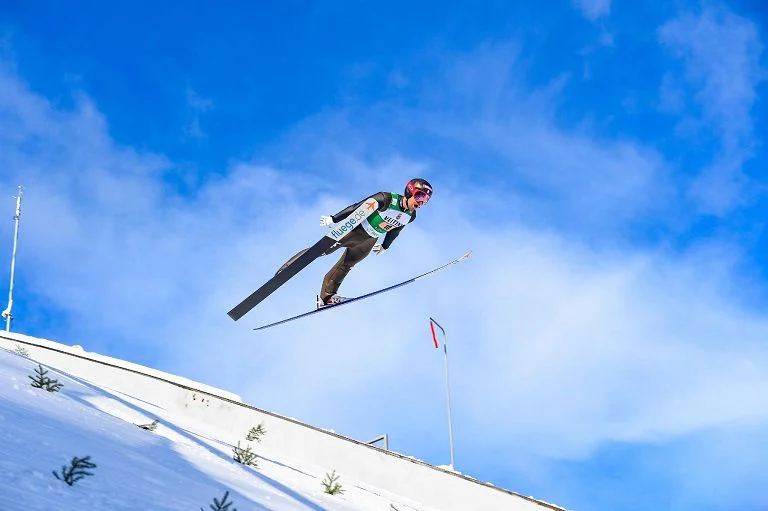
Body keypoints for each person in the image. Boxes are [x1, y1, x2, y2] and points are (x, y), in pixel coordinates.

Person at [276, 178, 433, 307]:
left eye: (425, 200)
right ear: (409, 191)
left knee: (347, 265)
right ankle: (287, 269)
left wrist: (385, 246)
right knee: (320, 250)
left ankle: (327, 297)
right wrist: (334, 218)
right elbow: (357, 207)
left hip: (369, 240)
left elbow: (395, 230)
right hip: (354, 231)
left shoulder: (410, 216)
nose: (421, 202)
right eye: (419, 196)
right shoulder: (386, 199)